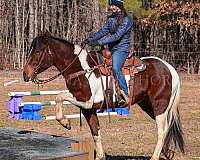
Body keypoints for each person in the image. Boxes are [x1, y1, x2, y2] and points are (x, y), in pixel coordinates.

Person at [83, 0, 133, 104]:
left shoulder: (127, 20)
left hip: (121, 48)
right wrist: (90, 39)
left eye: (113, 5)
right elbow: (103, 31)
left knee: (116, 68)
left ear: (119, 6)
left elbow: (117, 36)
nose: (111, 7)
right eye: (111, 5)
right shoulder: (111, 19)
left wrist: (99, 42)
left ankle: (125, 94)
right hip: (111, 49)